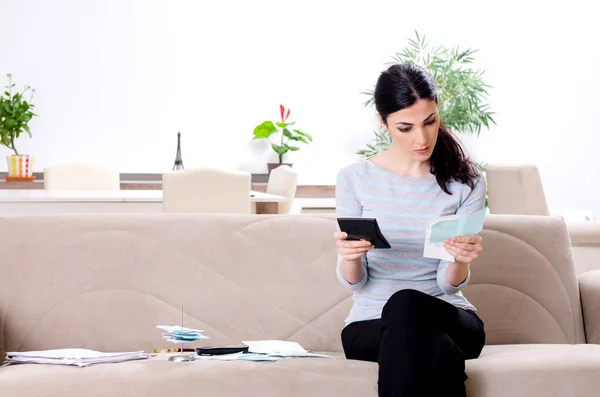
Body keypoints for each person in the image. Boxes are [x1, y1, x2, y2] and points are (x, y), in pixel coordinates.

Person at [334, 63, 487, 397]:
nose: (422, 138)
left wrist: (460, 260)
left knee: (408, 306)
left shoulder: (467, 182)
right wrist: (349, 257)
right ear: (383, 121)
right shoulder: (355, 179)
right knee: (432, 343)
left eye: (430, 122)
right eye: (406, 127)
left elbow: (447, 285)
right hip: (370, 324)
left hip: (451, 317)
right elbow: (355, 282)